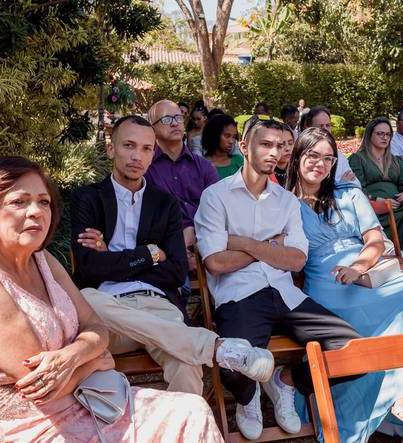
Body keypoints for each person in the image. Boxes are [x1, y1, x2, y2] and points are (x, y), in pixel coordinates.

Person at [0, 157, 253, 443]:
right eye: (19, 201)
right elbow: (46, 387)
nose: (36, 211)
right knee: (184, 429)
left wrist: (76, 354)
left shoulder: (43, 262)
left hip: (84, 407)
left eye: (43, 201)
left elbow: (96, 327)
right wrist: (96, 358)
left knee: (192, 410)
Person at [285, 127, 403, 443]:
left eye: (328, 158)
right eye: (313, 155)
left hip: (366, 273)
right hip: (327, 284)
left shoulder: (348, 193)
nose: (320, 164)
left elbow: (374, 241)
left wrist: (359, 267)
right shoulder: (282, 202)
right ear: (297, 157)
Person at [71, 115, 273, 395]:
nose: (137, 156)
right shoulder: (88, 198)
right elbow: (89, 267)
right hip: (108, 314)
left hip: (158, 305)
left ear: (152, 155)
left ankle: (188, 424)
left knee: (186, 363)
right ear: (111, 149)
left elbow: (177, 271)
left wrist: (113, 260)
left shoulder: (164, 203)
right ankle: (216, 348)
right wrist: (150, 254)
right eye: (129, 145)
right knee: (86, 297)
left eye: (146, 149)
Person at [194, 118, 361, 442]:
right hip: (240, 295)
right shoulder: (216, 197)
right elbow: (216, 263)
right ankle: (248, 397)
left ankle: (285, 381)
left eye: (281, 146)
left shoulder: (286, 201)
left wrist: (244, 243)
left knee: (353, 354)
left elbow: (296, 260)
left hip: (286, 294)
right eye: (266, 144)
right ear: (245, 147)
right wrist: (273, 246)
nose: (275, 152)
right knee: (231, 368)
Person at [146, 100, 219, 270]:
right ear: (152, 128)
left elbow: (218, 211)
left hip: (206, 244)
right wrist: (177, 248)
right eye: (166, 119)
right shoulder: (145, 168)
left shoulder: (203, 167)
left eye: (178, 118)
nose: (174, 123)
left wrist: (193, 232)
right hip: (162, 250)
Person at [350, 117, 403, 256]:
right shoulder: (358, 158)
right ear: (369, 135)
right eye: (380, 134)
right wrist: (377, 199)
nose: (385, 137)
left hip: (399, 205)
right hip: (375, 208)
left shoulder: (396, 160)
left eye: (388, 134)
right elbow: (356, 187)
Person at [299, 105, 360, 186]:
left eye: (328, 125)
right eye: (320, 126)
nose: (325, 129)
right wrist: (341, 184)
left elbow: (354, 183)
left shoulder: (339, 157)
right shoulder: (301, 154)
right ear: (308, 127)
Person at [203, 114, 244, 179]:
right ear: (214, 135)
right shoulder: (201, 164)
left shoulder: (239, 161)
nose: (231, 141)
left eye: (234, 137)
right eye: (227, 136)